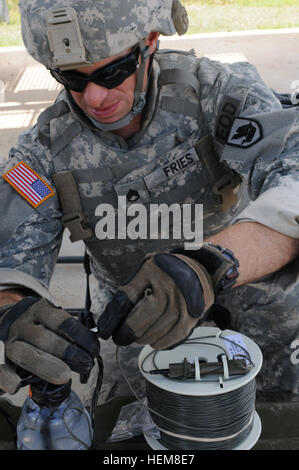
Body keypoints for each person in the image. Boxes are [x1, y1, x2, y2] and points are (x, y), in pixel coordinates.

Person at [0, 0, 298, 410]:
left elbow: (293, 177)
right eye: (71, 77)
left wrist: (208, 265)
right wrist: (13, 310)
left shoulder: (216, 93)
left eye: (112, 72)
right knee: (134, 430)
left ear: (150, 42)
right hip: (133, 324)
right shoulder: (44, 151)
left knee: (276, 419)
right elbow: (10, 262)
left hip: (247, 297)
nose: (94, 96)